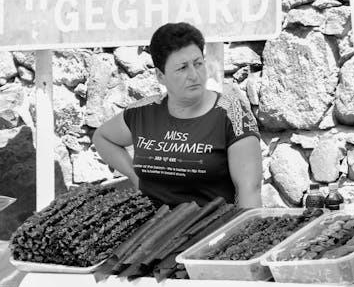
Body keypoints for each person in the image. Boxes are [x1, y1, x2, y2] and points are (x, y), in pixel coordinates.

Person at [93, 22, 262, 209]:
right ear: (160, 76)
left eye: (198, 64)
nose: (194, 75)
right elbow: (102, 137)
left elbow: (250, 191)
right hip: (152, 231)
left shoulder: (232, 115)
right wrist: (134, 175)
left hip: (212, 232)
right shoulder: (143, 112)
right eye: (182, 68)